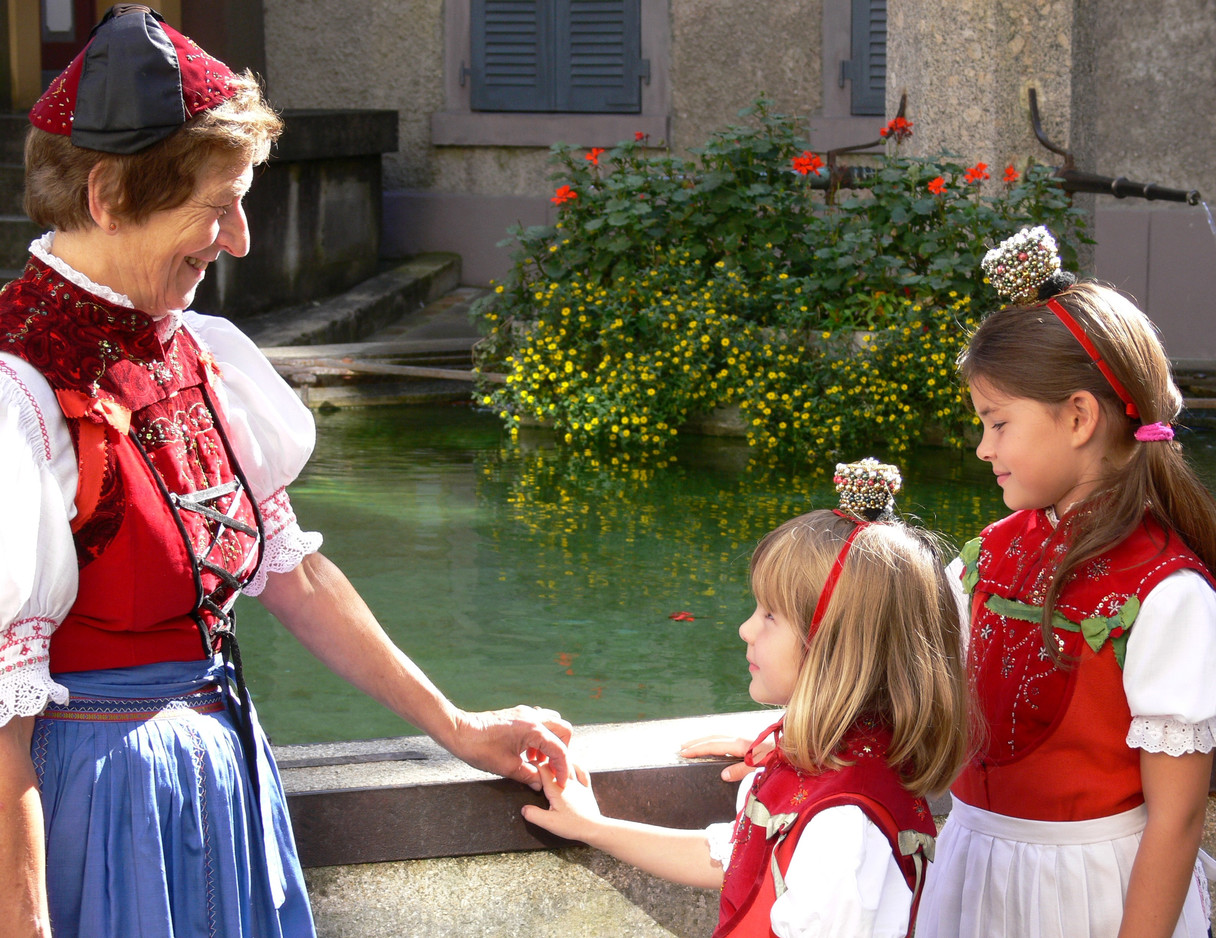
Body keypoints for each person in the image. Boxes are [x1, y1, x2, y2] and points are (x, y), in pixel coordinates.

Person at [0, 6, 571, 937]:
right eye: (217, 205)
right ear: (107, 196)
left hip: (225, 779)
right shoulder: (16, 395)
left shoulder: (203, 352)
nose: (239, 240)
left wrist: (458, 726)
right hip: (98, 816)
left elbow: (292, 574)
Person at [915, 226, 1216, 938]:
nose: (983, 448)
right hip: (972, 872)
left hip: (1094, 895)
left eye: (997, 423)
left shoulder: (1168, 594)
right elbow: (907, 689)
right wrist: (793, 742)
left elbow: (1179, 816)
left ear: (1078, 416)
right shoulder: (985, 559)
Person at [524, 458, 972, 938]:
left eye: (770, 615)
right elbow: (739, 860)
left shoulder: (843, 826)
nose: (745, 628)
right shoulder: (829, 765)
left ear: (837, 648)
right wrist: (593, 828)